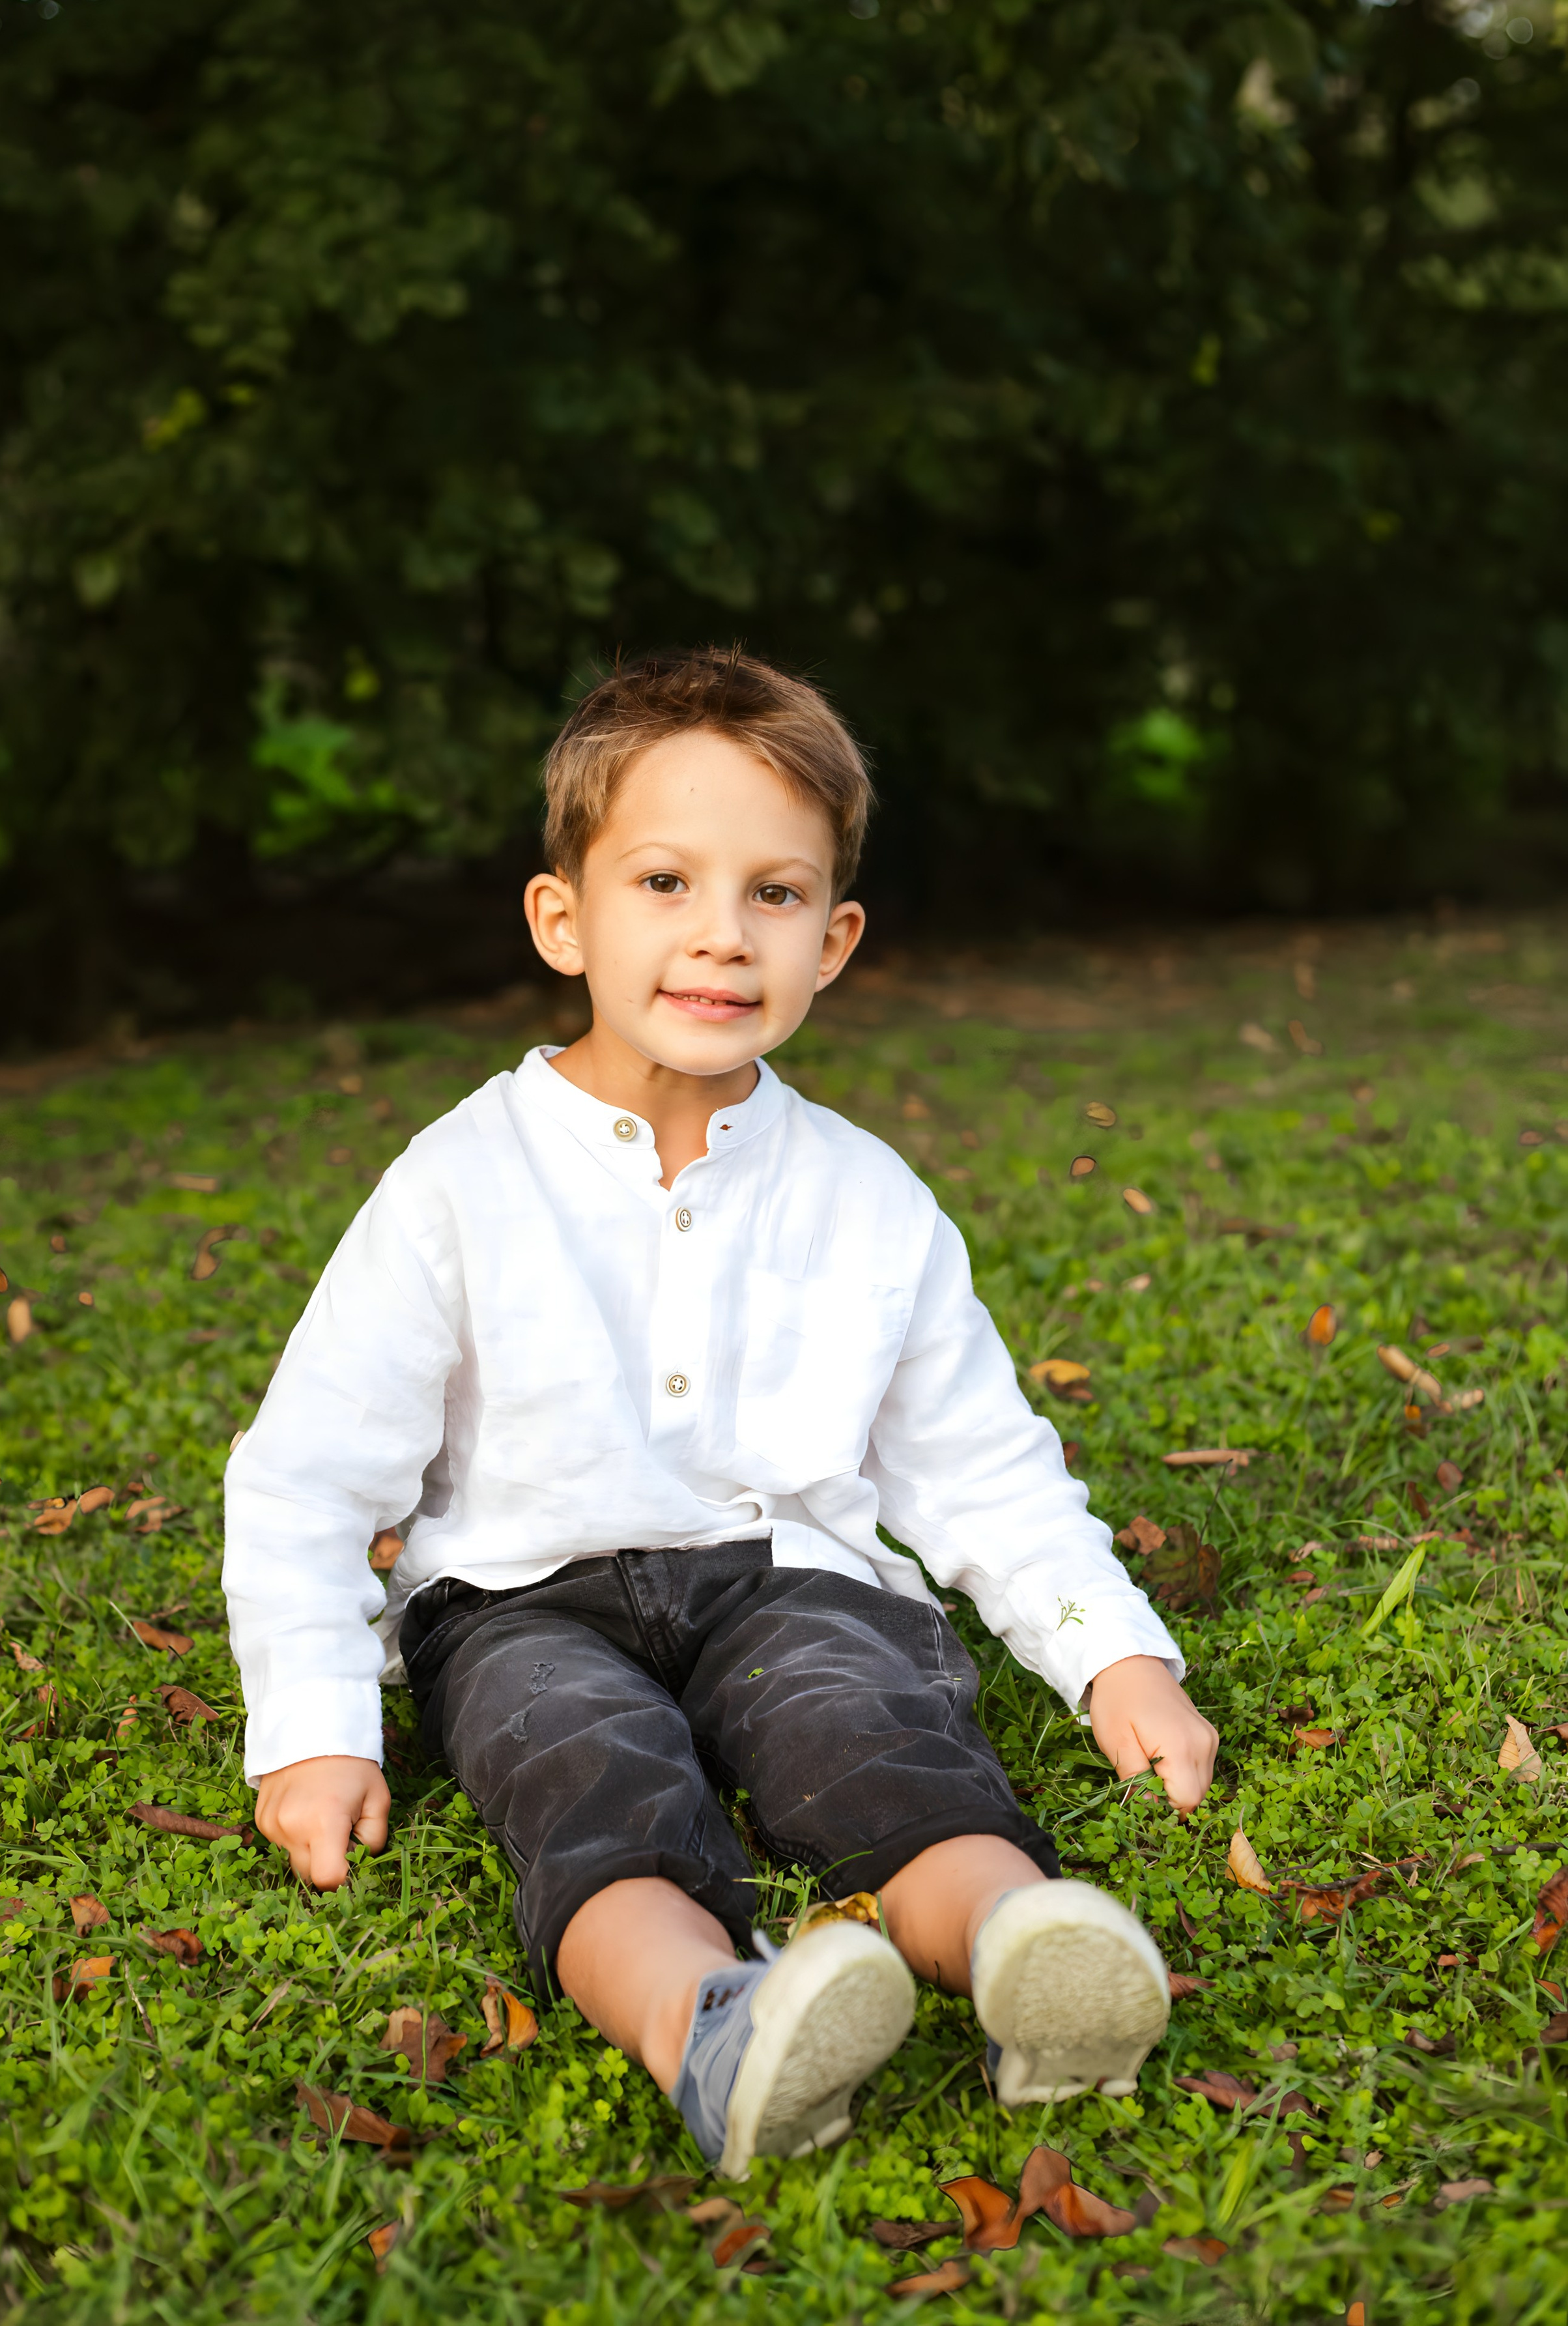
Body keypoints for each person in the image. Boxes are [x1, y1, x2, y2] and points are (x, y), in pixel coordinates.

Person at [223, 646, 1218, 2180]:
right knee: (583, 1773)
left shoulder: (866, 1196)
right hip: (518, 1601)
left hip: (783, 1576)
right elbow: (306, 1477)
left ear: (833, 939)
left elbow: (976, 1466)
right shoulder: (454, 1184)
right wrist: (310, 1727)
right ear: (563, 918)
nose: (720, 935)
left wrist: (1113, 1652)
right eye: (664, 882)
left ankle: (1019, 1944)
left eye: (773, 893)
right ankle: (708, 2021)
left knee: (868, 1725)